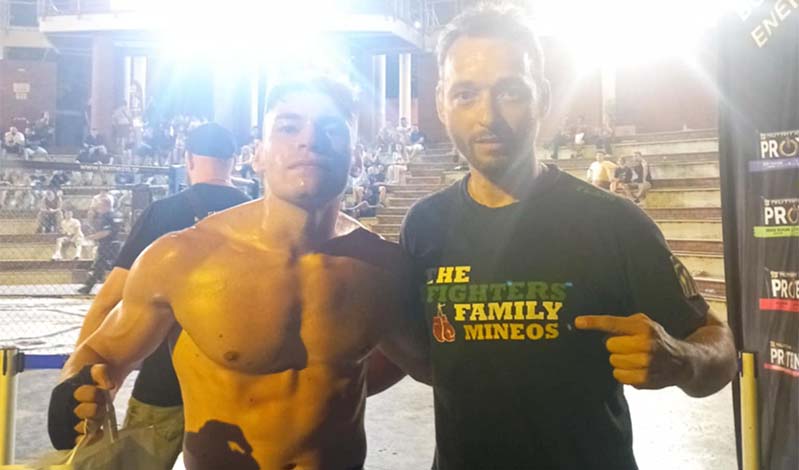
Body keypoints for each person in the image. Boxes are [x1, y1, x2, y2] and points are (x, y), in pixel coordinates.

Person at [399, 5, 737, 470]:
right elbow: (415, 355)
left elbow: (721, 349)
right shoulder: (423, 226)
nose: (487, 116)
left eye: (510, 92)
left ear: (542, 96)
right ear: (441, 102)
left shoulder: (614, 222)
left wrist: (681, 358)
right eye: (465, 94)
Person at [49, 77, 429, 469]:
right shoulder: (182, 259)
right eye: (289, 127)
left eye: (331, 129)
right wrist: (73, 395)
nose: (310, 140)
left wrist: (338, 378)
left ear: (357, 157)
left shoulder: (383, 268)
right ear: (257, 155)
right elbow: (101, 353)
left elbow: (429, 364)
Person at [52, 123, 251, 468]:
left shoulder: (164, 213)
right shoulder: (258, 217)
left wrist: (80, 381)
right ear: (233, 161)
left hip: (164, 379)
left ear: (188, 159)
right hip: (239, 386)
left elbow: (108, 301)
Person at [77, 196, 122, 294]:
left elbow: (106, 232)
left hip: (108, 245)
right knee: (102, 266)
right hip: (113, 244)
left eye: (100, 206)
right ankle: (89, 286)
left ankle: (89, 286)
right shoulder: (115, 215)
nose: (98, 209)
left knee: (101, 265)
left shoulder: (108, 216)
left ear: (106, 206)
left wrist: (91, 237)